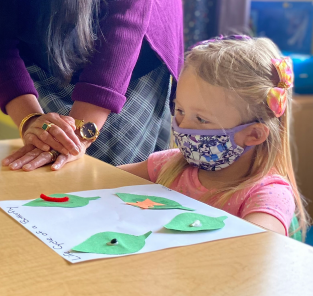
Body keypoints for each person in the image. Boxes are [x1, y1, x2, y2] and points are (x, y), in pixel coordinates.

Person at [119, 36, 309, 239]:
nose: (183, 126)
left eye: (201, 119)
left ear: (253, 134)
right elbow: (102, 178)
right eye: (180, 110)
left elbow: (257, 248)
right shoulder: (168, 165)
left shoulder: (269, 195)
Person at [0, 0, 183, 171]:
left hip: (125, 56)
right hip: (39, 44)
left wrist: (80, 133)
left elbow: (126, 16)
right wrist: (31, 122)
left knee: (109, 184)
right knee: (46, 160)